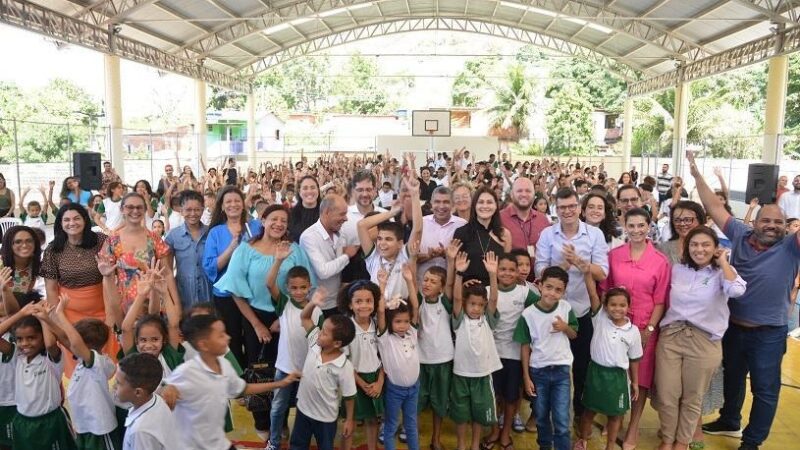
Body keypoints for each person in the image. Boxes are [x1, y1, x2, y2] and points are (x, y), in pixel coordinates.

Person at [686, 152, 800, 450]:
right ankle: (730, 418)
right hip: (733, 327)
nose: (772, 225)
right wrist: (697, 175)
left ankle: (751, 441)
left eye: (779, 221)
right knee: (732, 379)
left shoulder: (791, 247)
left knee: (765, 390)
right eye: (767, 220)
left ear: (786, 225)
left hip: (769, 333)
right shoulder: (739, 233)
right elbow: (713, 205)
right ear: (756, 221)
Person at [214, 204, 315, 442]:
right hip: (255, 316)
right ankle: (262, 419)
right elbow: (236, 291)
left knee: (291, 368)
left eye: (283, 221)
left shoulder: (295, 250)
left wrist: (286, 319)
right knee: (261, 370)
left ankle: (280, 420)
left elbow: (307, 285)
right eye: (274, 219)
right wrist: (257, 324)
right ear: (263, 220)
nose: (279, 224)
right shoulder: (245, 250)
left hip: (290, 317)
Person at [656, 227, 747, 450]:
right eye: (694, 244)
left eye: (706, 244)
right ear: (687, 247)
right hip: (672, 336)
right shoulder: (677, 269)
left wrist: (723, 262)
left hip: (704, 341)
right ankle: (667, 439)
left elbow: (736, 291)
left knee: (692, 397)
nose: (699, 249)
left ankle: (682, 442)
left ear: (715, 247)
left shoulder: (723, 273)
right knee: (667, 394)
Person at [166, 315, 298, 450]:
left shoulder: (223, 364)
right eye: (221, 335)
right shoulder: (187, 372)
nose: (228, 338)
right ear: (203, 344)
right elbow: (164, 392)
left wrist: (279, 384)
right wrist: (167, 389)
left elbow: (243, 388)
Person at [535, 188, 609, 420]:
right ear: (556, 210)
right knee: (550, 365)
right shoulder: (548, 234)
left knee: (581, 367)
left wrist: (580, 262)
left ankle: (579, 413)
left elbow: (603, 272)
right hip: (552, 311)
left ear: (579, 208)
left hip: (582, 311)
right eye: (562, 207)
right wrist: (564, 267)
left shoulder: (594, 235)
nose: (567, 211)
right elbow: (540, 271)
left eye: (572, 206)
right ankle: (543, 413)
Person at [600, 208, 671, 450]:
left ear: (649, 226)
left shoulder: (660, 261)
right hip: (616, 324)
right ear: (624, 225)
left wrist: (649, 329)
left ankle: (633, 426)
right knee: (616, 372)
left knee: (640, 379)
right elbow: (606, 291)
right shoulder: (615, 255)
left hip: (644, 328)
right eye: (632, 225)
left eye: (642, 225)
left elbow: (661, 300)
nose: (637, 230)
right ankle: (615, 418)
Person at [41, 204, 118, 377]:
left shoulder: (100, 240)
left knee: (106, 359)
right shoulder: (53, 250)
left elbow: (112, 274)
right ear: (60, 223)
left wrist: (112, 312)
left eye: (77, 218)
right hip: (69, 313)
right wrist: (56, 319)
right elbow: (51, 288)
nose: (72, 223)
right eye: (66, 219)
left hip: (103, 309)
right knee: (76, 361)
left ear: (85, 220)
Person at [45, 295, 121, 449]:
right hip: (84, 426)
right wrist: (47, 320)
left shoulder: (97, 363)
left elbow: (74, 342)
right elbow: (65, 338)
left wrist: (61, 314)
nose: (71, 345)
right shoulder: (84, 361)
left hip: (100, 429)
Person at [480, 252, 539, 449]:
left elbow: (543, 308)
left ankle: (505, 433)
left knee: (511, 397)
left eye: (511, 270)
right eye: (502, 269)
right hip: (491, 353)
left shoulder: (526, 294)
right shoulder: (487, 291)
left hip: (514, 355)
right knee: (493, 395)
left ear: (518, 273)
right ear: (495, 270)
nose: (506, 273)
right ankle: (494, 430)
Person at [514, 266, 576, 450]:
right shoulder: (528, 314)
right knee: (541, 417)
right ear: (540, 286)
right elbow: (525, 346)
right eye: (549, 287)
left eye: (558, 290)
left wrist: (565, 327)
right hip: (538, 372)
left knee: (562, 419)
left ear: (564, 292)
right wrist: (526, 377)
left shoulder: (566, 308)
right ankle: (545, 446)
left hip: (561, 372)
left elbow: (574, 334)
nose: (552, 293)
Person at [574, 284, 641, 450]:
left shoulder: (633, 331)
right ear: (605, 306)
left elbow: (634, 359)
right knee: (588, 412)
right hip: (596, 373)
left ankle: (610, 446)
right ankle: (582, 440)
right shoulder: (600, 319)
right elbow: (592, 294)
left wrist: (635, 382)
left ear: (629, 306)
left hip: (617, 378)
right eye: (613, 304)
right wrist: (587, 272)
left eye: (622, 305)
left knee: (615, 416)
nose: (617, 309)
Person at [0, 303, 76, 450]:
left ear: (42, 336)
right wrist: (21, 313)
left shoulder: (51, 360)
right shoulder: (17, 357)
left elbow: (50, 345)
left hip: (51, 422)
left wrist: (44, 319)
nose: (25, 343)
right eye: (20, 339)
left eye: (31, 338)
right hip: (23, 422)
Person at [202, 186, 263, 366]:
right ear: (222, 206)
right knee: (232, 339)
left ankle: (257, 378)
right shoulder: (216, 232)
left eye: (237, 200)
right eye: (228, 201)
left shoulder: (256, 226)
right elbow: (210, 267)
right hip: (226, 296)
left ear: (243, 204)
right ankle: (238, 382)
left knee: (254, 337)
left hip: (253, 294)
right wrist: (231, 248)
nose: (233, 205)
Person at [448, 252, 502, 450]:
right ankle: (462, 444)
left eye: (480, 305)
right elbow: (455, 297)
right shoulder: (459, 320)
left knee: (479, 413)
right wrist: (459, 273)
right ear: (465, 303)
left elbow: (494, 299)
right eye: (472, 304)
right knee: (461, 414)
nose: (476, 308)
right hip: (461, 374)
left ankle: (473, 445)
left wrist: (493, 275)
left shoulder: (487, 320)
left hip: (482, 374)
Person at [290, 291, 357, 450]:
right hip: (303, 410)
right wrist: (312, 303)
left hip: (326, 419)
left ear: (337, 343)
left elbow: (349, 396)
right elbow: (305, 317)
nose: (319, 333)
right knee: (297, 445)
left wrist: (349, 420)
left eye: (325, 333)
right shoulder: (315, 342)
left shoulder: (344, 366)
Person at [102, 193, 174, 314]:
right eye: (130, 207)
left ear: (145, 209)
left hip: (153, 305)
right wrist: (112, 313)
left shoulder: (154, 239)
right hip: (125, 307)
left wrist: (175, 305)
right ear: (122, 209)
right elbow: (107, 278)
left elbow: (167, 274)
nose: (135, 211)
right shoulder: (112, 241)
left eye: (139, 207)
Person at [376, 263, 420, 450]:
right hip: (395, 390)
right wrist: (382, 285)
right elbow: (380, 311)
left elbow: (415, 307)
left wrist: (409, 280)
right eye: (398, 322)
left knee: (411, 425)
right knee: (391, 425)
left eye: (406, 321)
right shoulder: (385, 338)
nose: (403, 325)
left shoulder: (412, 333)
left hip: (414, 389)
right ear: (390, 322)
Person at [336, 281, 383, 450]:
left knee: (372, 420)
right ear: (350, 304)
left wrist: (379, 382)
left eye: (368, 301)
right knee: (350, 421)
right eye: (358, 301)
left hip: (375, 379)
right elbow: (345, 363)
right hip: (353, 380)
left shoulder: (378, 325)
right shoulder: (346, 328)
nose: (364, 305)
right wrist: (362, 384)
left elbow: (384, 358)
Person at [299, 195, 360, 317]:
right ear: (327, 212)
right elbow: (323, 271)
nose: (346, 219)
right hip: (318, 306)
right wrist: (346, 256)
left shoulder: (340, 233)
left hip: (338, 301)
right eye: (342, 214)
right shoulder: (309, 237)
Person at [115, 353, 179, 450]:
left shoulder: (140, 432)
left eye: (118, 383)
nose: (114, 386)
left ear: (138, 392)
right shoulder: (156, 399)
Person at [452, 186, 511, 286]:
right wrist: (463, 283)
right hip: (469, 293)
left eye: (489, 202)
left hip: (496, 290)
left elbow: (507, 268)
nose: (485, 206)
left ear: (496, 206)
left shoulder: (504, 234)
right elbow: (455, 268)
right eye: (481, 202)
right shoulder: (461, 232)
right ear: (474, 205)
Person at [165, 190, 211, 309]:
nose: (193, 213)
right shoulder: (172, 236)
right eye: (188, 210)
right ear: (181, 211)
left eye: (197, 209)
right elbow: (168, 270)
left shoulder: (211, 233)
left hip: (209, 291)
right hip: (184, 292)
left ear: (202, 209)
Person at [416, 186, 466, 282]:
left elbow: (466, 258)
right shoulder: (421, 223)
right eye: (437, 202)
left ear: (452, 204)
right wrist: (429, 256)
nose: (441, 206)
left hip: (451, 285)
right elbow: (411, 257)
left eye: (446, 202)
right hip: (422, 285)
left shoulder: (462, 225)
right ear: (431, 203)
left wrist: (446, 254)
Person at [500, 177, 551, 256]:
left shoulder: (543, 220)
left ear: (534, 194)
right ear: (511, 195)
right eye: (519, 191)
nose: (524, 194)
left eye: (528, 191)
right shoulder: (499, 218)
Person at [0, 226, 45, 308]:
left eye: (29, 241)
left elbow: (27, 292)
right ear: (9, 244)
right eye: (18, 242)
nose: (24, 245)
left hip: (21, 307)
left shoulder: (34, 263)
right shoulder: (1, 265)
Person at [288, 176, 321, 243]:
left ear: (318, 190)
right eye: (305, 188)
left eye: (313, 187)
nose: (309, 191)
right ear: (299, 191)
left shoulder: (327, 211)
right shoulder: (291, 213)